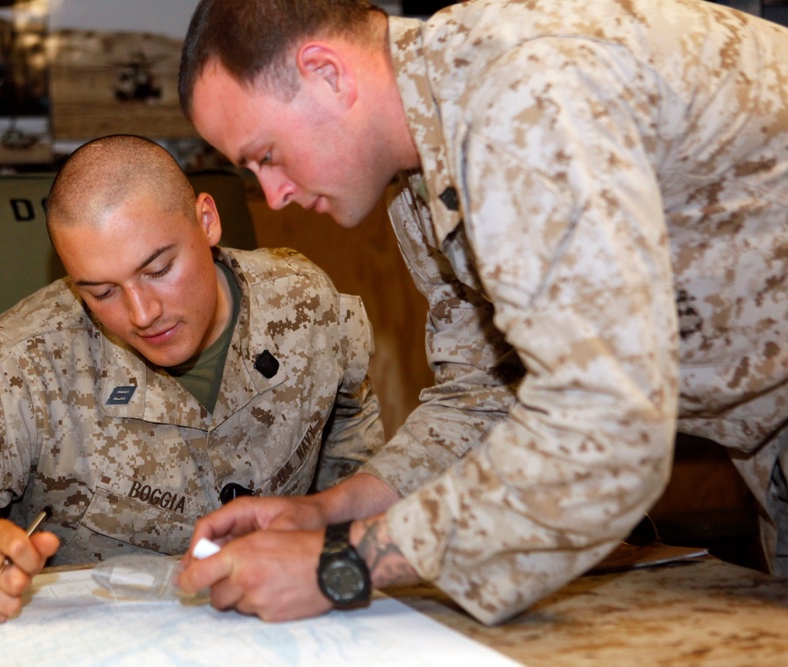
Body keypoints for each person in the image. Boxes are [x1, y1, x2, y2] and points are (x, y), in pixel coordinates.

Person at [174, 0, 788, 625]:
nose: (273, 194)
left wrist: (345, 562)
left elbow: (601, 423)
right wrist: (332, 513)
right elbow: (485, 395)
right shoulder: (421, 177)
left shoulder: (517, 99)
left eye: (266, 154)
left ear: (327, 73)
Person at [0, 134, 384, 623]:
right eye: (100, 291)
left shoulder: (308, 308)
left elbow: (361, 465)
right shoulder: (21, 365)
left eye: (159, 269)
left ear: (206, 220)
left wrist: (334, 539)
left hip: (282, 626)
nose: (141, 313)